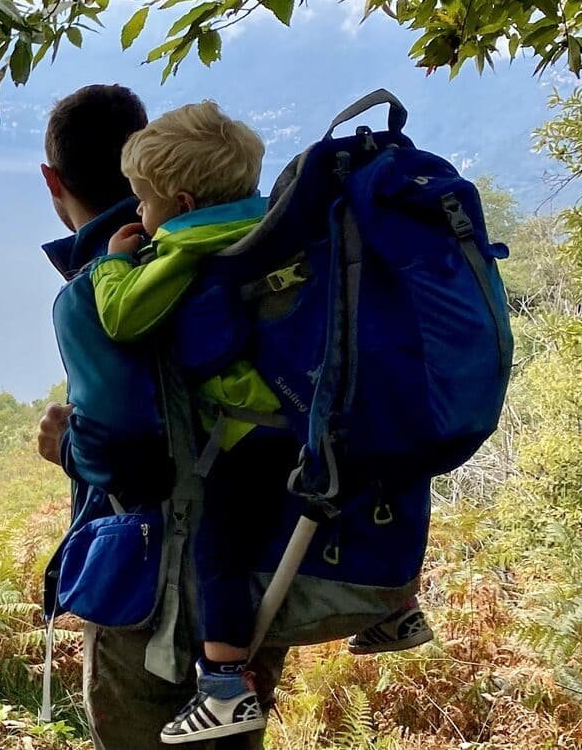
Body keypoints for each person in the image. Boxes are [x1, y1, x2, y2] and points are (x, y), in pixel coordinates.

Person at [90, 102, 433, 744]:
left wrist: (113, 262)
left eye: (142, 201)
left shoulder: (190, 244)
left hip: (253, 436)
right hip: (321, 416)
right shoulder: (277, 224)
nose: (138, 214)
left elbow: (123, 317)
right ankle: (395, 606)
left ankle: (223, 686)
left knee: (219, 551)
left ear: (183, 201)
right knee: (340, 509)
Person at [36, 85, 285, 750]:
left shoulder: (101, 287)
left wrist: (65, 446)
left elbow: (130, 458)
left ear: (51, 181)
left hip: (153, 601)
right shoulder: (248, 241)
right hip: (258, 575)